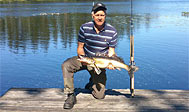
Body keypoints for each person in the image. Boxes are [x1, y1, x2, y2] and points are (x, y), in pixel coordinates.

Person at [62, 2, 118, 109]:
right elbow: (80, 47)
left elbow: (111, 52)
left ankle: (92, 81)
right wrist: (83, 58)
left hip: (100, 64)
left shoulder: (112, 31)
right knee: (66, 65)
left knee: (99, 96)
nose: (100, 18)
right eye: (97, 15)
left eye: (102, 15)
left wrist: (111, 62)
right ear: (92, 15)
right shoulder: (84, 28)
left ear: (105, 16)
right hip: (86, 58)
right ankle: (70, 94)